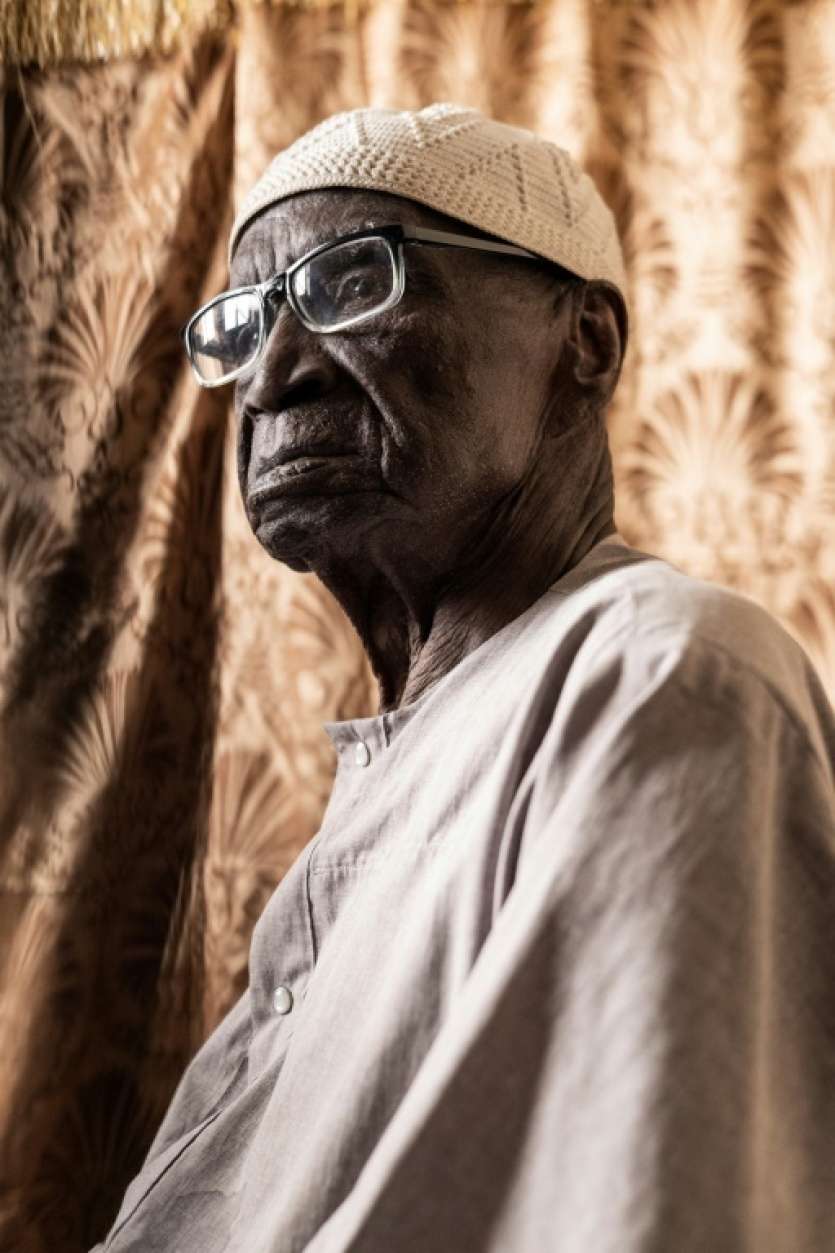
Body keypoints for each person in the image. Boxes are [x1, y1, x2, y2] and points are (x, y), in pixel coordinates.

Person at [92, 102, 835, 1252]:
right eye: (246, 322)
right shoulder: (417, 750)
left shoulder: (663, 672)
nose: (270, 376)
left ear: (584, 339)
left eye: (352, 281)